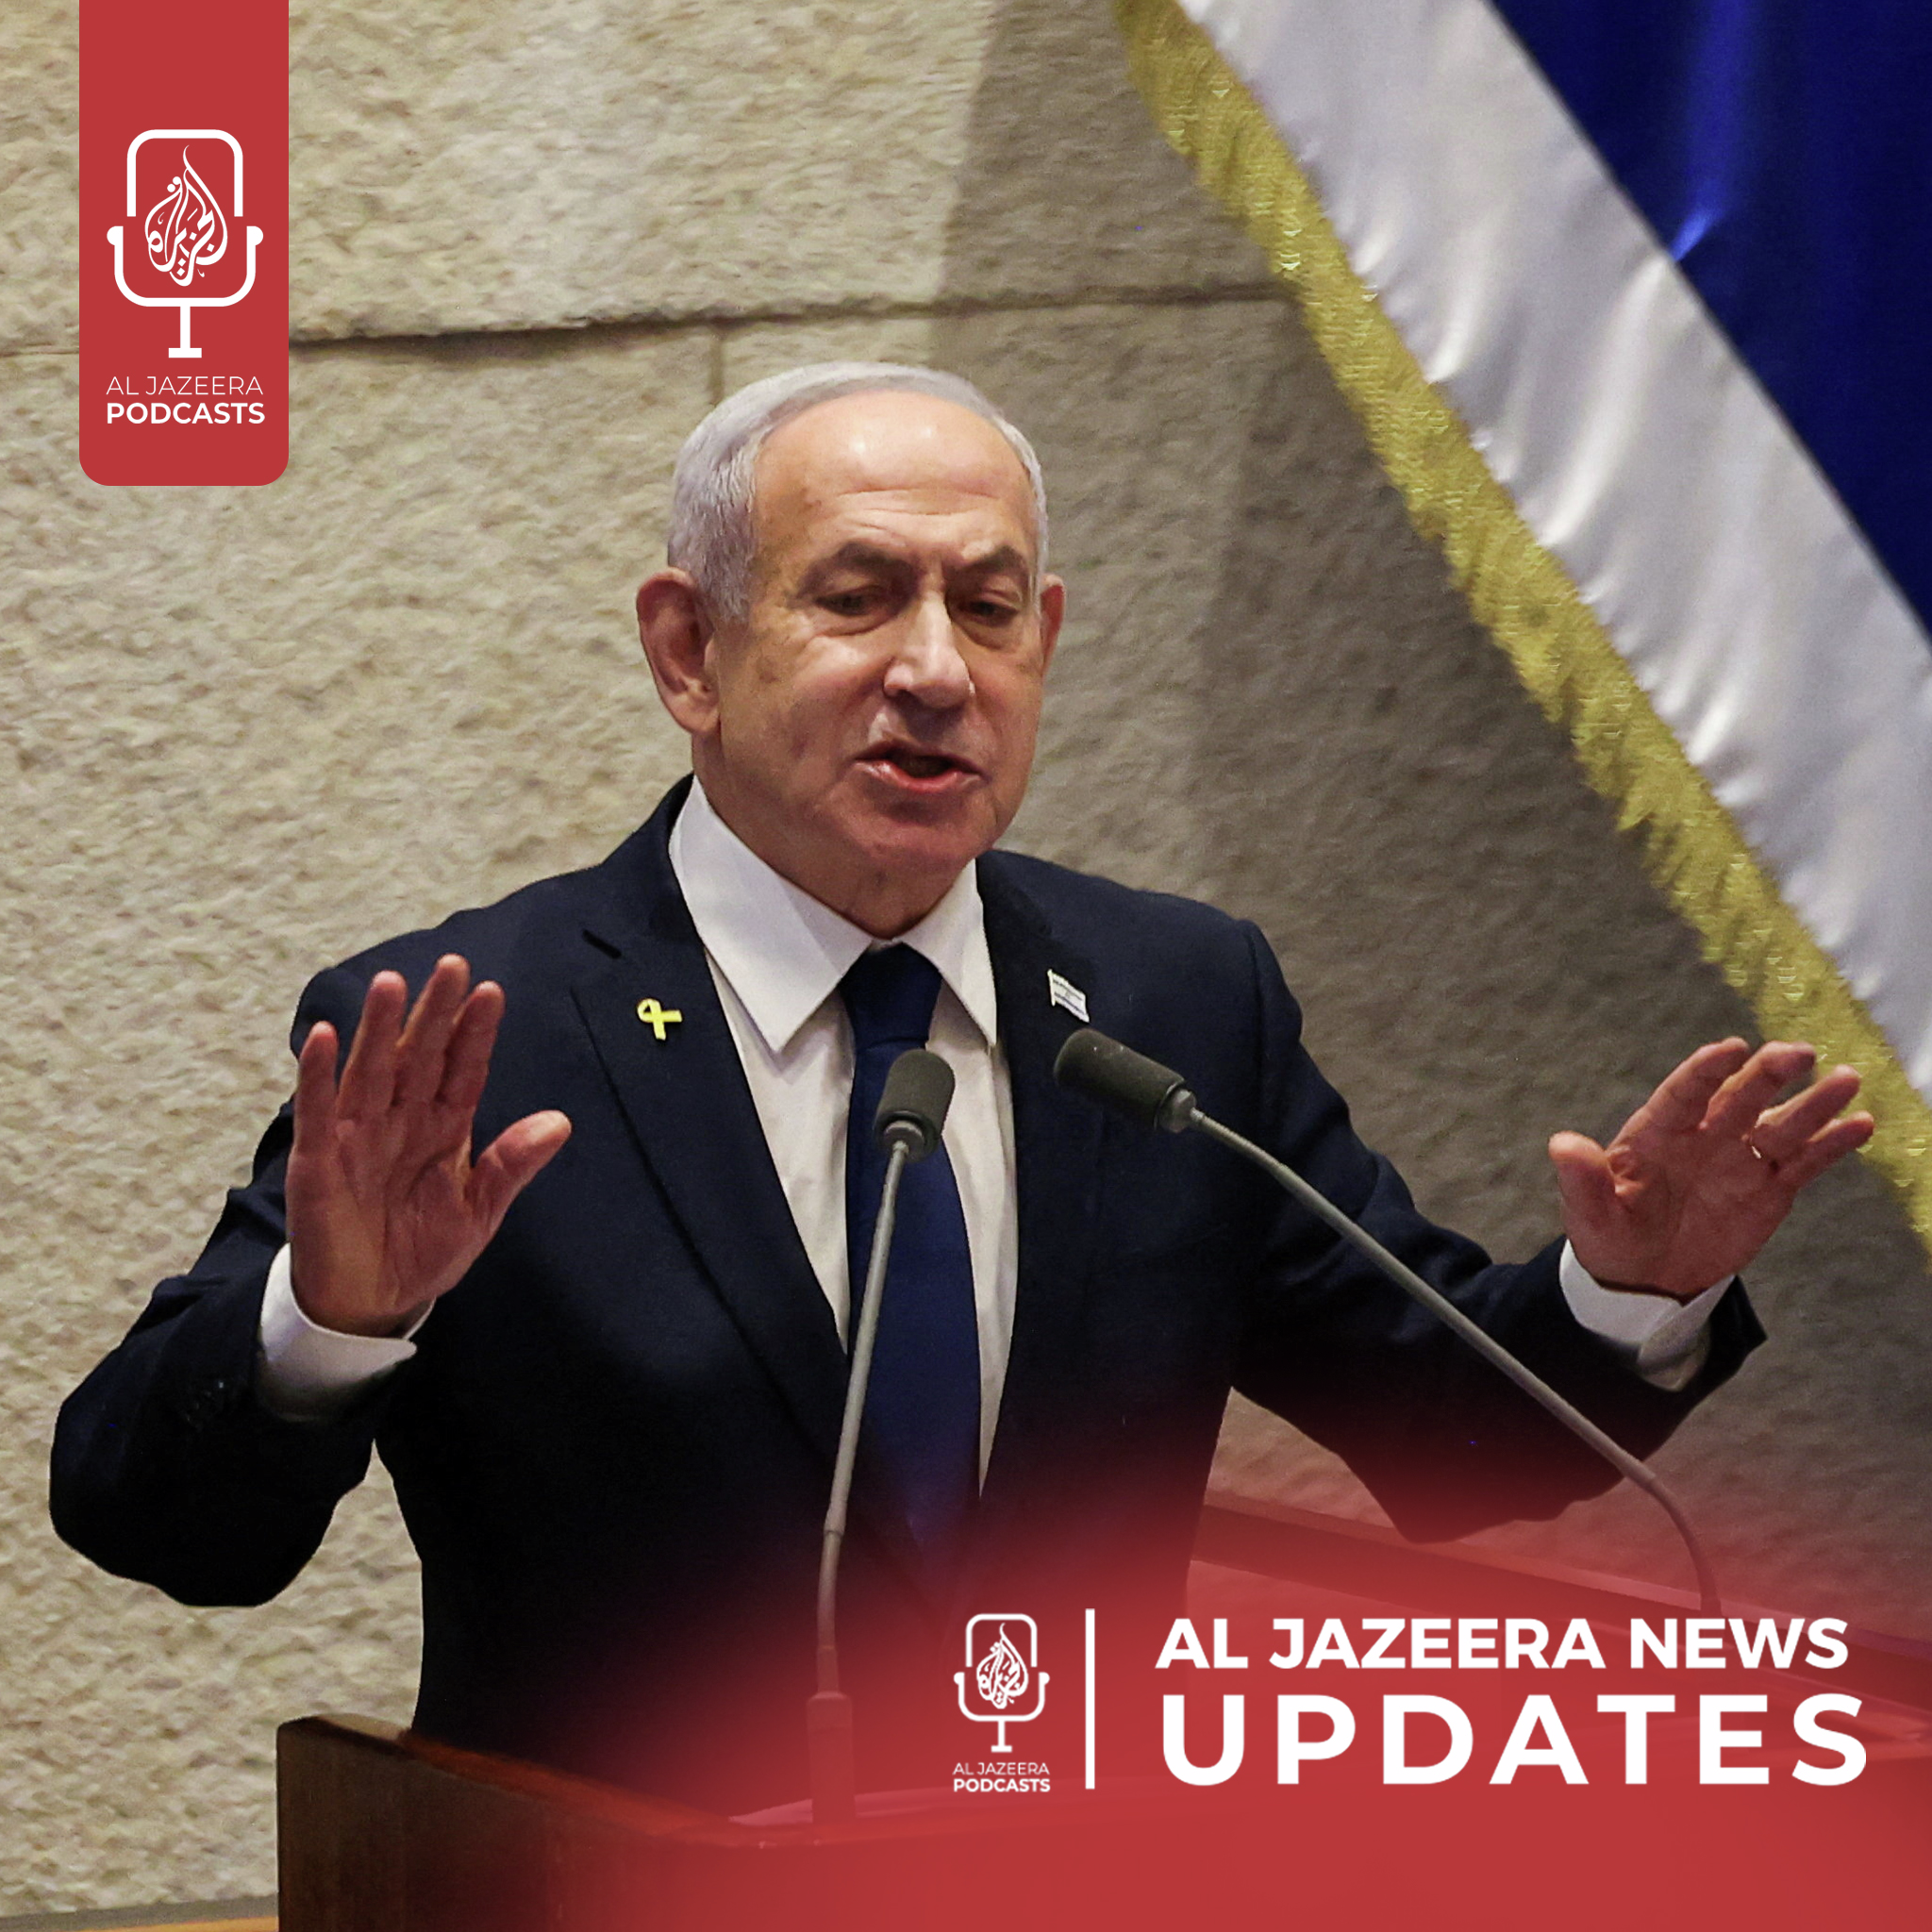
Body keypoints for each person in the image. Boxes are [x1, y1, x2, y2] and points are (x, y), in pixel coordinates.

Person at [52, 365, 1873, 1813]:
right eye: (858, 599)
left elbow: (1455, 1432)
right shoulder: (479, 1037)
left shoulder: (1175, 1003)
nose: (936, 670)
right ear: (688, 651)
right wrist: (332, 1323)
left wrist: (1631, 1290)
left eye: (988, 610)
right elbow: (152, 1518)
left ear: (1043, 643)